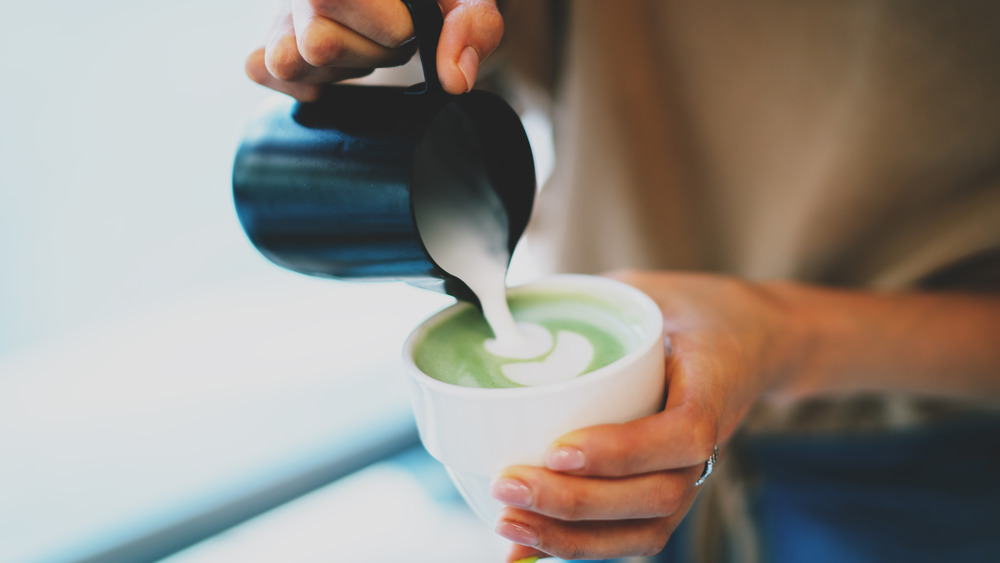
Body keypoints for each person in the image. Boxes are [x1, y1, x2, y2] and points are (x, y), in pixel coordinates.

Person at [245, 2, 1000, 561]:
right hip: (613, 433)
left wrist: (784, 333)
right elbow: (487, 45)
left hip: (923, 468)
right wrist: (406, 33)